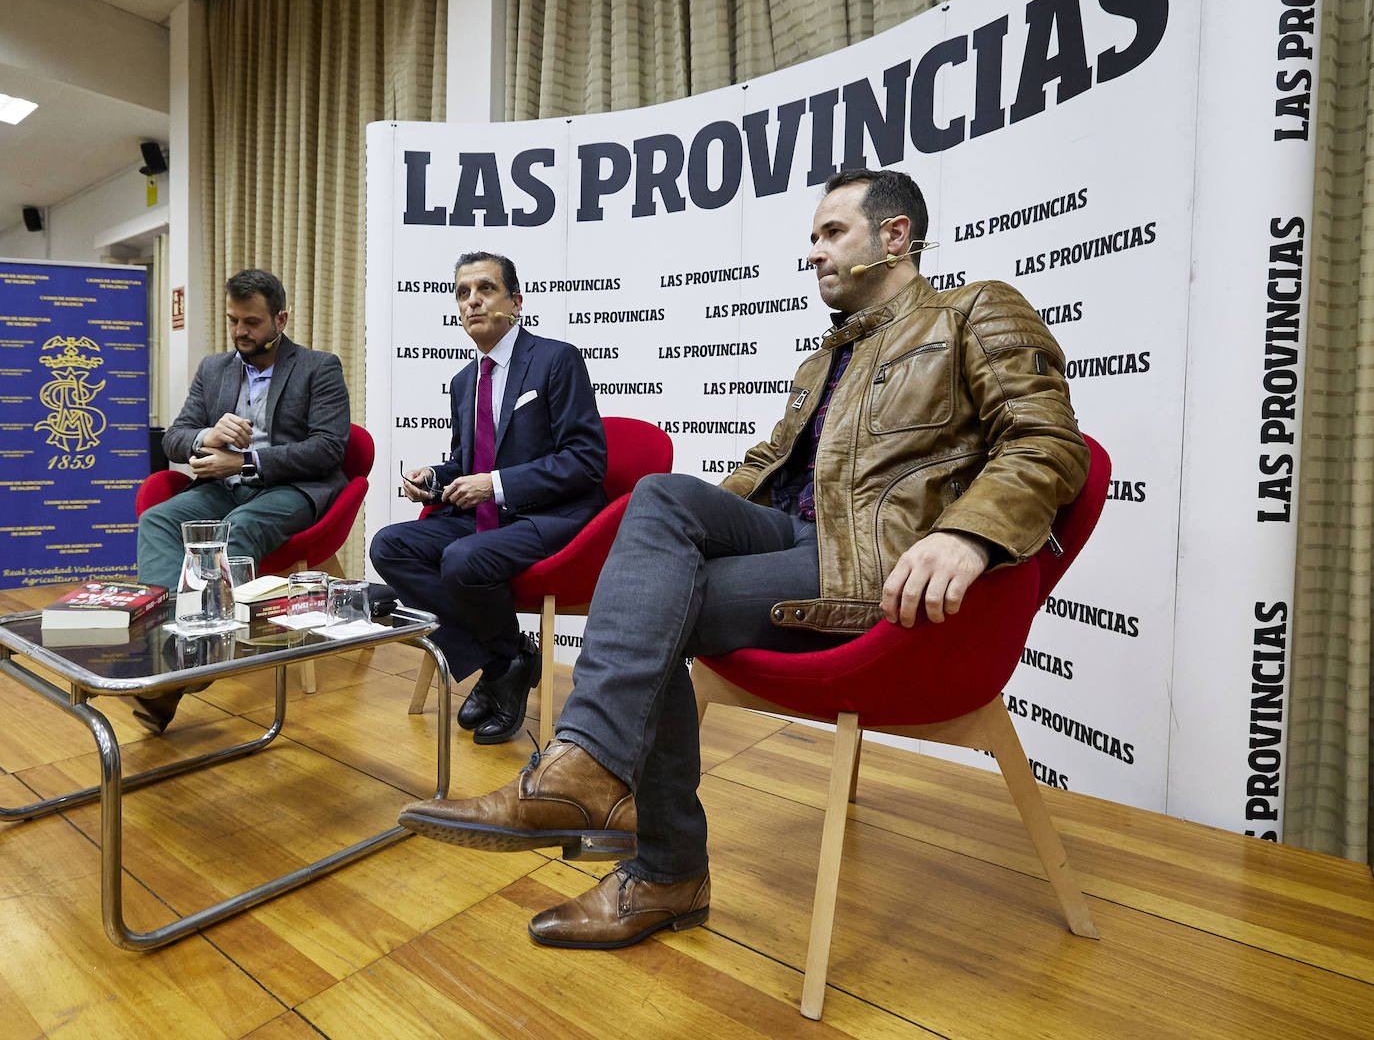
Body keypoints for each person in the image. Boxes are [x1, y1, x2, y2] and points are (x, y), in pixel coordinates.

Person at [394, 169, 1090, 950]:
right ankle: (592, 780)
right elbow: (762, 471)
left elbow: (1048, 442)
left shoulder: (973, 311)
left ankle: (647, 847)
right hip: (792, 540)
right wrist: (684, 537)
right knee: (659, 502)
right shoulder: (826, 359)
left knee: (659, 607)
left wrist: (967, 533)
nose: (815, 253)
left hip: (877, 560)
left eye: (833, 234)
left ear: (895, 236)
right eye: (814, 237)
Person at [369, 252, 607, 744]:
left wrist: (494, 484)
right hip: (488, 516)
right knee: (388, 546)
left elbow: (586, 461)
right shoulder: (463, 382)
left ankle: (502, 667)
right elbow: (466, 462)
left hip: (553, 516)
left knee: (462, 559)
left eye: (485, 289)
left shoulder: (555, 359)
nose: (472, 301)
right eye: (461, 293)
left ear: (515, 302)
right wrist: (434, 477)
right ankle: (505, 661)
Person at [134, 268, 351, 731]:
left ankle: (181, 669)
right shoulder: (214, 369)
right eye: (233, 320)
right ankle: (177, 643)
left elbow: (330, 448)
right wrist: (206, 435)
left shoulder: (319, 367)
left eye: (251, 322)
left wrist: (247, 462)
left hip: (289, 488)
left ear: (281, 318)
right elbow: (174, 438)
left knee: (236, 532)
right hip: (220, 489)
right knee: (156, 520)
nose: (239, 332)